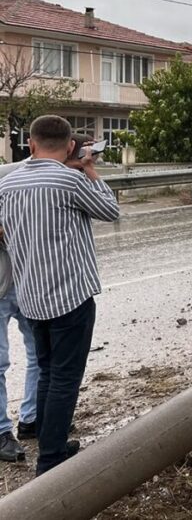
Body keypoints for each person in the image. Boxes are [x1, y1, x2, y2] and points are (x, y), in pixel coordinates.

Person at [0, 116, 119, 474]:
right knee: (65, 378)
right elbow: (110, 211)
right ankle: (51, 461)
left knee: (50, 372)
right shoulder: (70, 180)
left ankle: (52, 442)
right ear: (70, 146)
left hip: (32, 298)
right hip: (70, 298)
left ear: (31, 145)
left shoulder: (9, 182)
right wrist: (89, 170)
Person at [0, 159, 37, 463]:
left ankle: (32, 418)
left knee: (40, 353)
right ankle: (0, 433)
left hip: (26, 282)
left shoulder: (18, 174)